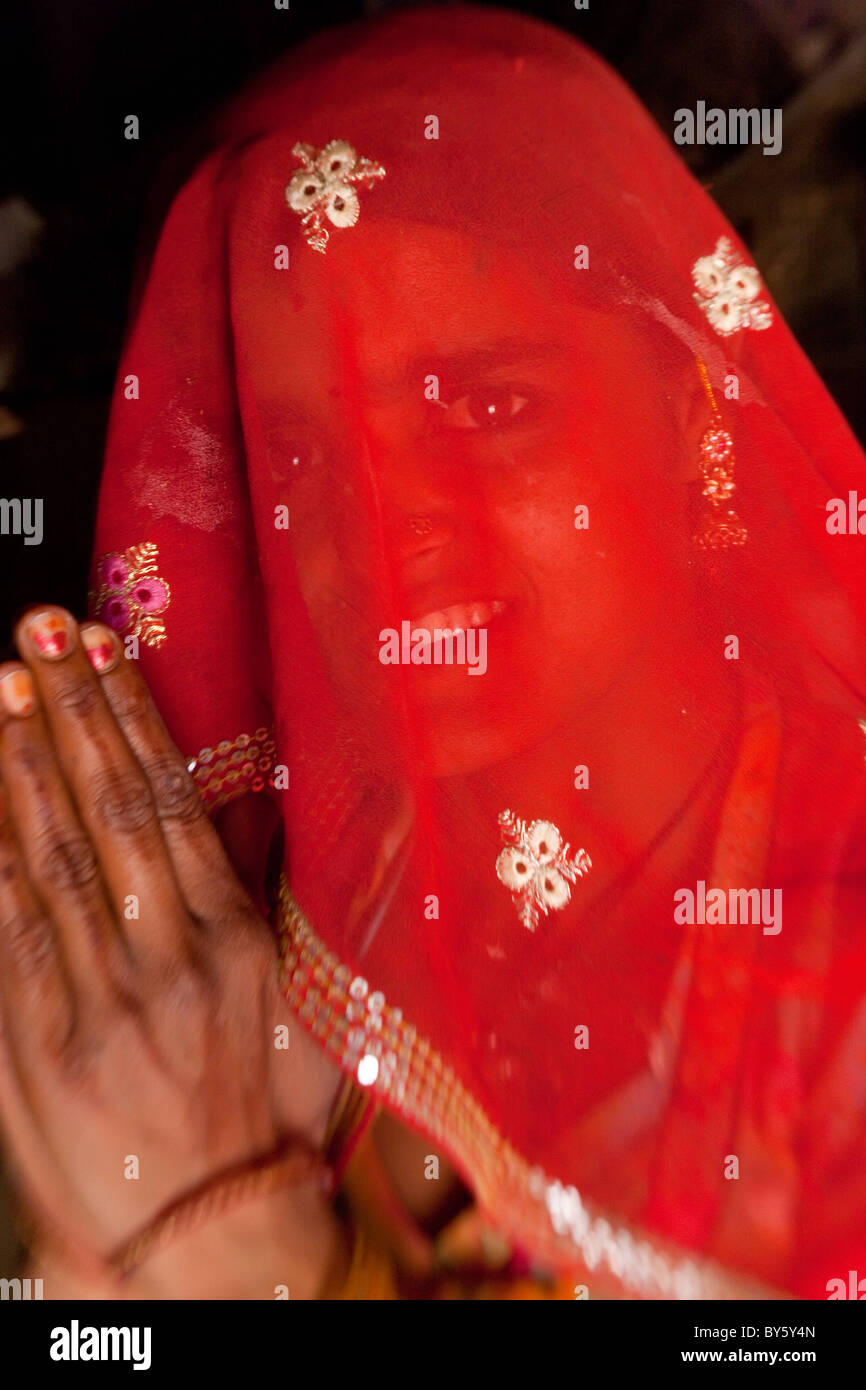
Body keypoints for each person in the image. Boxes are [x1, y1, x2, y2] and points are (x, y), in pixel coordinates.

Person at [1, 3, 865, 1300]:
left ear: (699, 414)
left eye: (487, 404)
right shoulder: (256, 958)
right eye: (307, 452)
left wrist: (236, 1249)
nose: (388, 534)